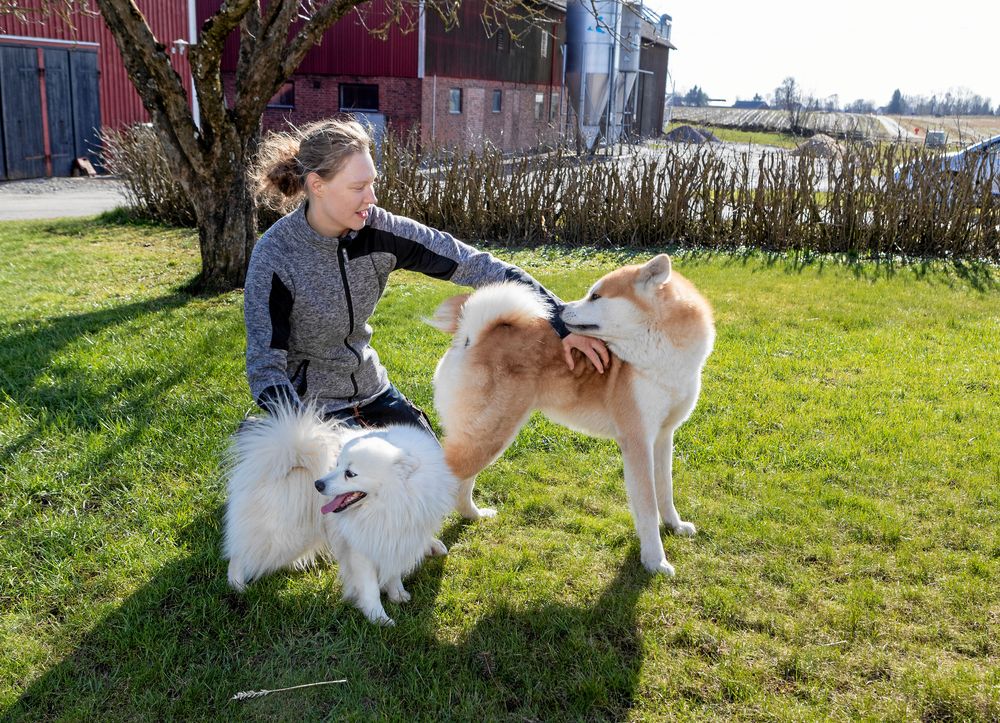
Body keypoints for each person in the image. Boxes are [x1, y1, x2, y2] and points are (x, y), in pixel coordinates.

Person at [244, 118, 608, 435]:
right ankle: (261, 439)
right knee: (359, 500)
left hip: (372, 391)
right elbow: (266, 368)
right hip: (311, 408)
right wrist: (300, 435)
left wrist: (562, 321)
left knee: (428, 476)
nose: (371, 197)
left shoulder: (381, 231)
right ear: (317, 186)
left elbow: (477, 265)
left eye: (373, 183)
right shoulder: (276, 256)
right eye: (358, 187)